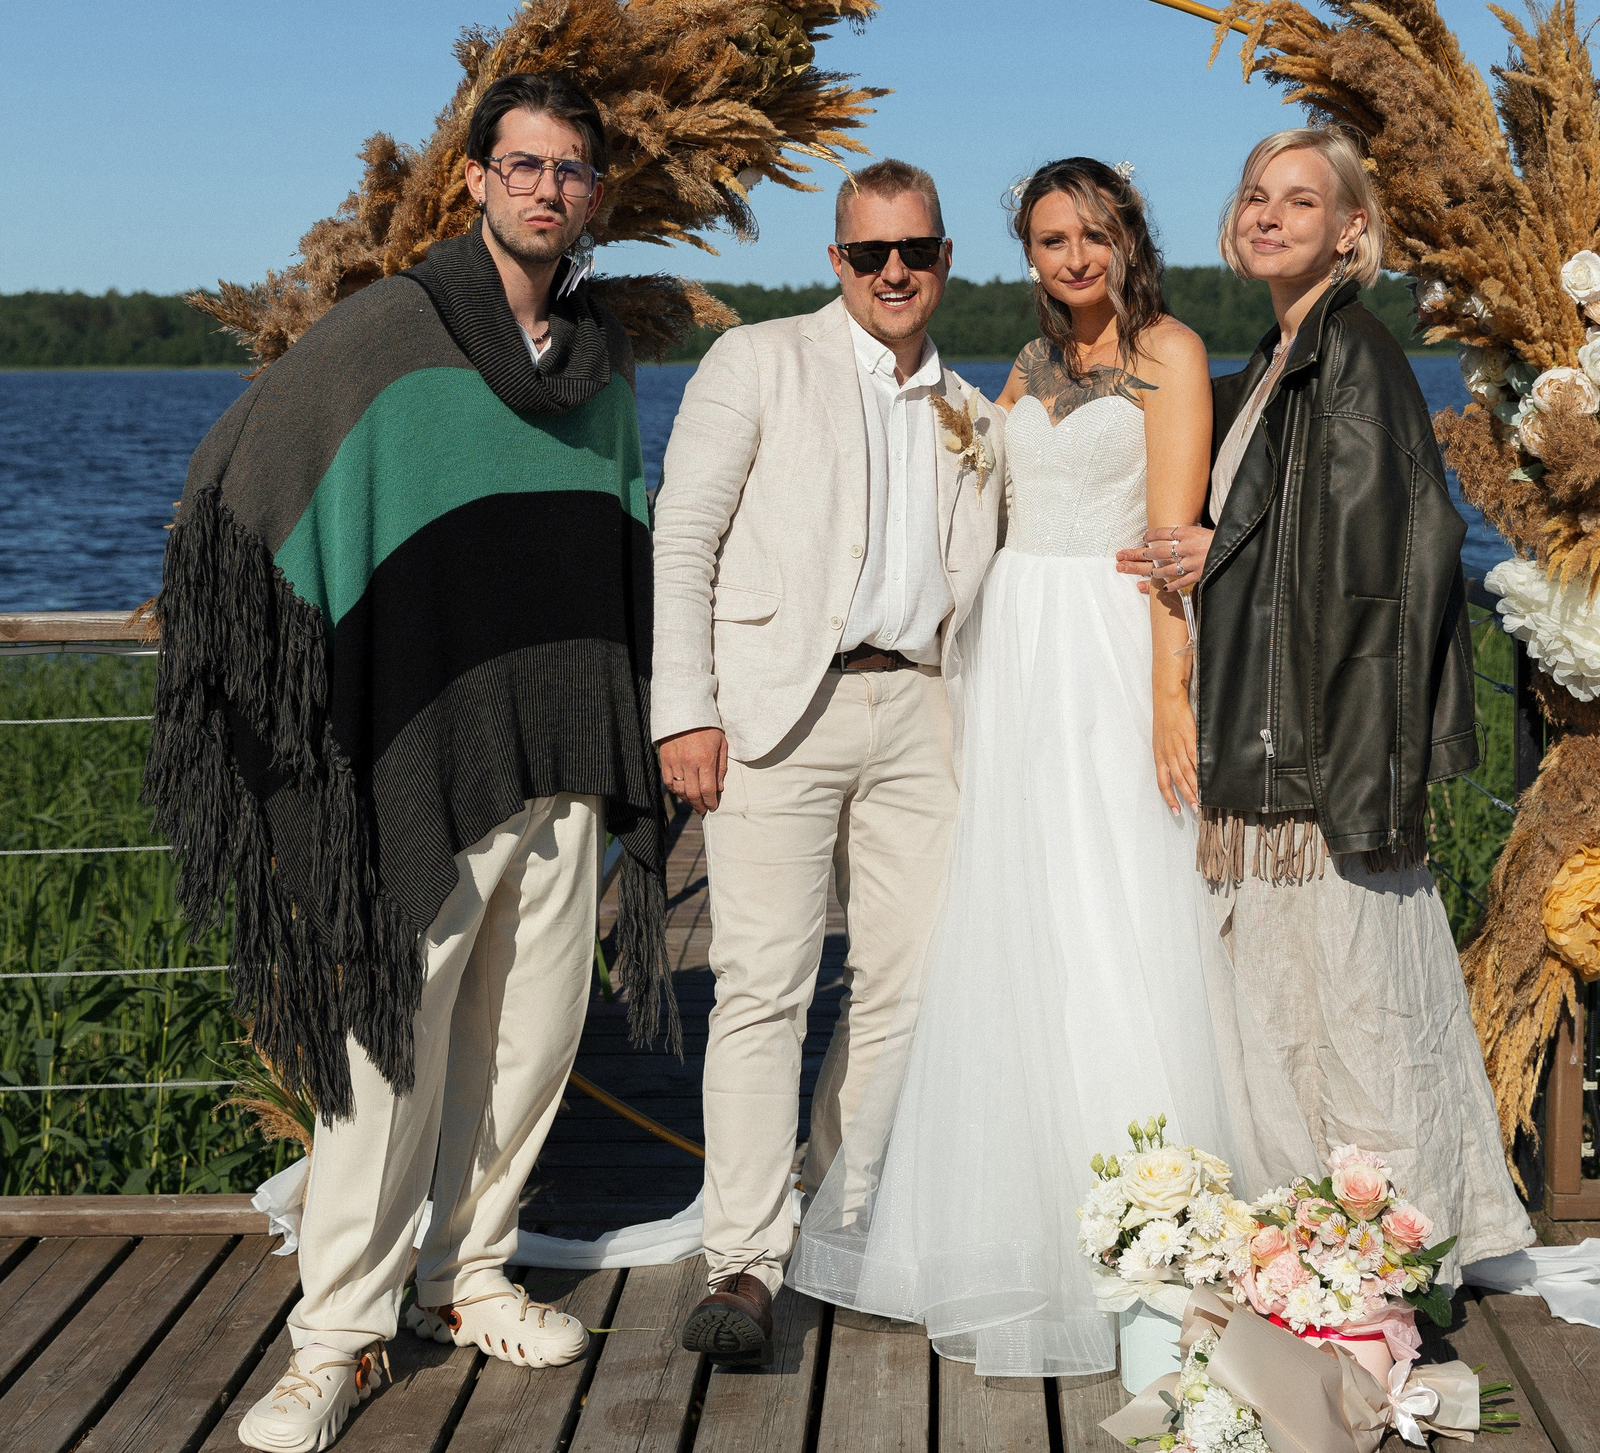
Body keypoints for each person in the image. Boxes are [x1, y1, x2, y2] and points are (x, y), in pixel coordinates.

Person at [146, 71, 674, 1452]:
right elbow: (243, 475)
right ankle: (337, 1337)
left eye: (572, 168)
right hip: (425, 744)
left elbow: (620, 542)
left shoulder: (604, 362)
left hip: (568, 740)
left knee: (532, 1039)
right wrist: (245, 633)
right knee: (388, 1048)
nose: (548, 188)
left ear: (594, 195)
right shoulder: (389, 329)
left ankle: (469, 1276)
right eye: (525, 163)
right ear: (476, 178)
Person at [790, 157, 1237, 1377]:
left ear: (1128, 239)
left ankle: (1142, 1222)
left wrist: (1168, 695)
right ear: (1027, 256)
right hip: (1009, 654)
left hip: (1104, 648)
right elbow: (976, 500)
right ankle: (1002, 1210)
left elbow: (1169, 543)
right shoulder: (1029, 367)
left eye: (1092, 234)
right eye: (1049, 240)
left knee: (1112, 909)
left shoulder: (1171, 353)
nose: (1073, 257)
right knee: (1010, 918)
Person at [1118, 126, 1536, 1277]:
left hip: (1317, 755)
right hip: (1285, 737)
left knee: (1351, 1018)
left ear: (1351, 230)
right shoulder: (1277, 358)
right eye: (1255, 194)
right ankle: (1328, 1254)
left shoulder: (1351, 356)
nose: (1267, 215)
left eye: (1299, 201)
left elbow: (1378, 564)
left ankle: (1383, 1264)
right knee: (1301, 1018)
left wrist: (1218, 553)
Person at [651, 159, 1008, 1362]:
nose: (893, 272)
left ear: (944, 259)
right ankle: (745, 1262)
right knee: (763, 983)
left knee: (908, 983)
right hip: (774, 711)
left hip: (923, 710)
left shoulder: (974, 411)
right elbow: (683, 534)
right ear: (836, 260)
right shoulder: (756, 360)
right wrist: (683, 709)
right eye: (869, 254)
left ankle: (842, 1226)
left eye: (914, 251)